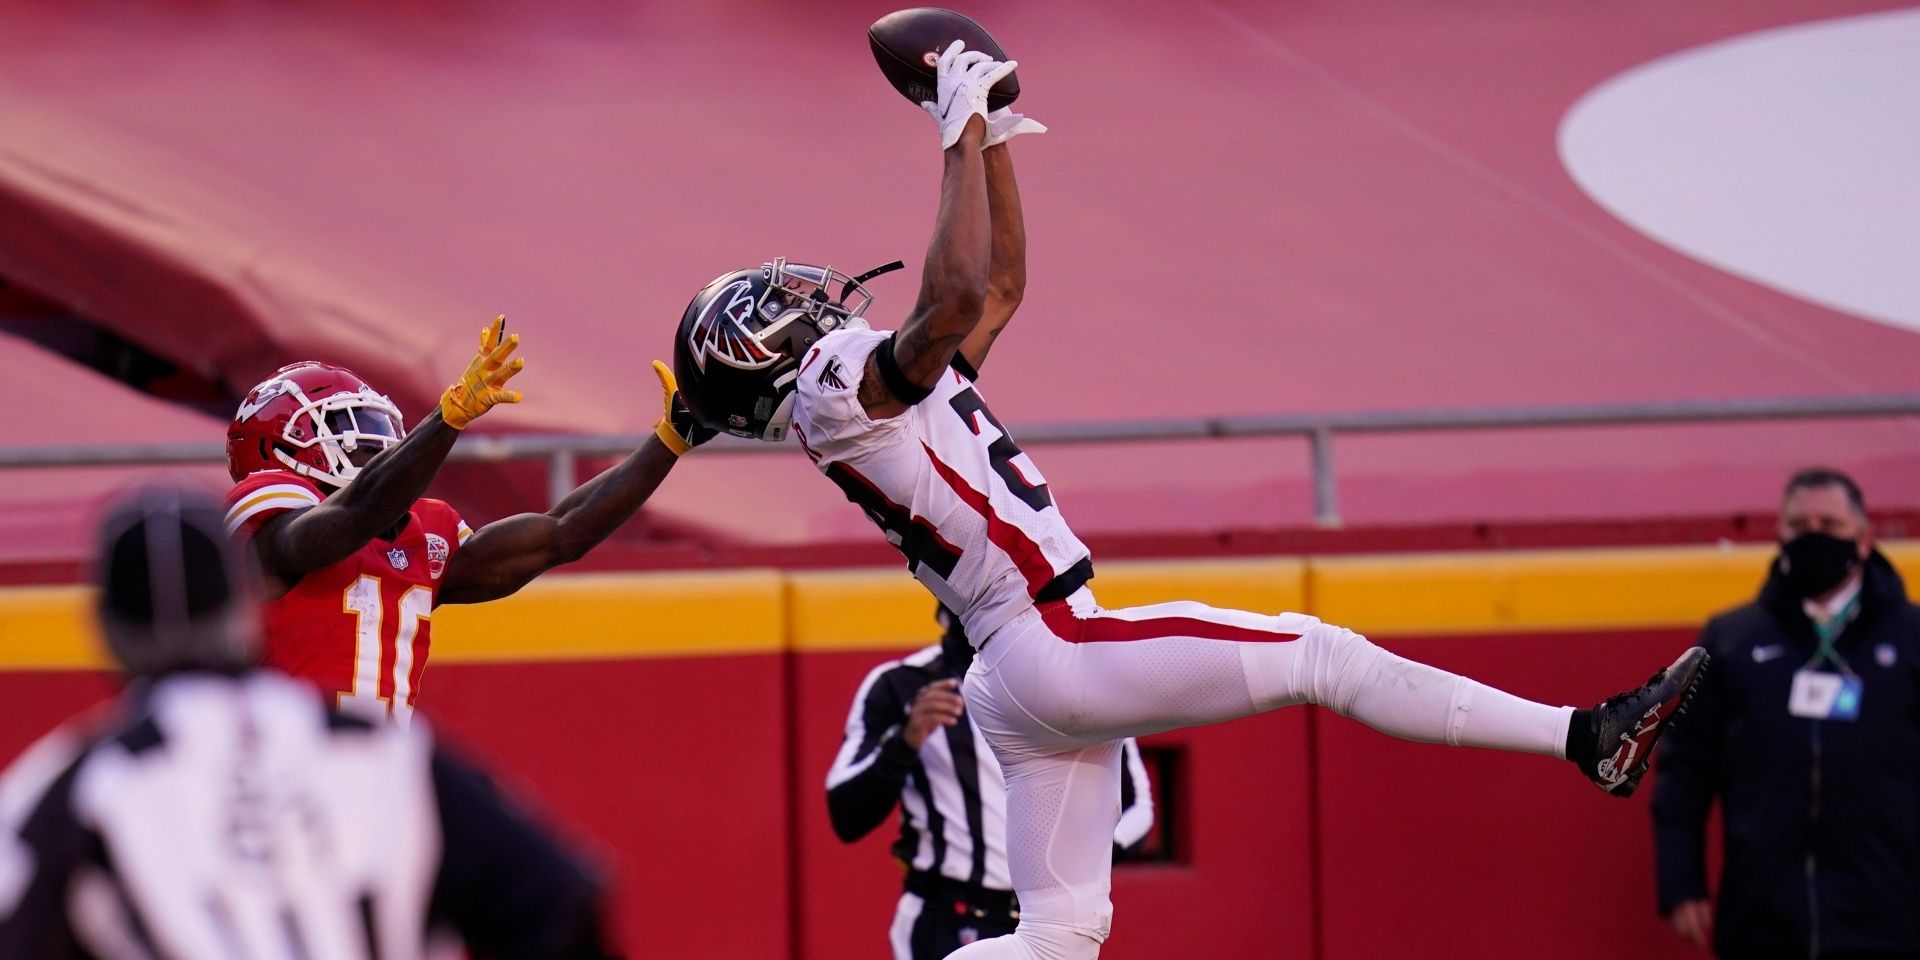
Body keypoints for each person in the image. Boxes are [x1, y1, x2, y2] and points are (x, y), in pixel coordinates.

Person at [670, 40, 1708, 960]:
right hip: (1051, 639)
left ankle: (1588, 740)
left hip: (1017, 663)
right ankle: (1585, 737)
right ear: (756, 357)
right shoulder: (835, 390)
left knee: (1057, 938)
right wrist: (952, 128)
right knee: (1319, 657)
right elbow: (947, 301)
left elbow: (995, 293)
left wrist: (992, 137)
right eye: (776, 308)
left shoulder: (859, 398)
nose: (807, 298)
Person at [0, 486, 618, 959]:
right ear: (246, 608)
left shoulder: (76, 781)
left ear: (103, 632)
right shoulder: (380, 752)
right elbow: (559, 894)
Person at [224, 317, 712, 718]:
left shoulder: (418, 530)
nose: (371, 443)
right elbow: (352, 517)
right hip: (276, 776)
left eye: (373, 425)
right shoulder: (270, 515)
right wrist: (448, 418)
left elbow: (560, 533)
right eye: (344, 427)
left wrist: (667, 443)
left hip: (374, 777)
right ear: (277, 442)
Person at [1653, 468, 1920, 958]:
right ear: (1779, 535)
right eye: (1798, 525)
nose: (1813, 536)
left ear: (1864, 540)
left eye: (1830, 525)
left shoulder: (1912, 639)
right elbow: (1685, 769)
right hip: (1762, 919)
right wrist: (1681, 879)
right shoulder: (1732, 639)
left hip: (1891, 919)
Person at [829, 606, 1154, 959]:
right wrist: (904, 742)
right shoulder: (902, 684)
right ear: (941, 614)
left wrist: (1072, 862)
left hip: (1050, 918)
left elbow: (1138, 809)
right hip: (945, 918)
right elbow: (845, 814)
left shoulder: (1070, 679)